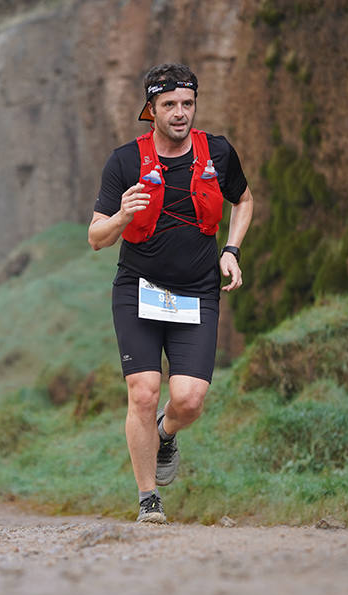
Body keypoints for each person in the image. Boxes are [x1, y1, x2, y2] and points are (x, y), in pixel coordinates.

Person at [87, 63, 254, 524]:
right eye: (169, 105)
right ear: (151, 109)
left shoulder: (217, 152)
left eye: (187, 104)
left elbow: (244, 201)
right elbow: (96, 237)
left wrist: (231, 249)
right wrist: (122, 216)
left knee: (189, 399)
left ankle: (165, 432)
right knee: (142, 392)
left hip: (198, 290)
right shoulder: (124, 161)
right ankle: (148, 500)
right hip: (137, 289)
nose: (180, 113)